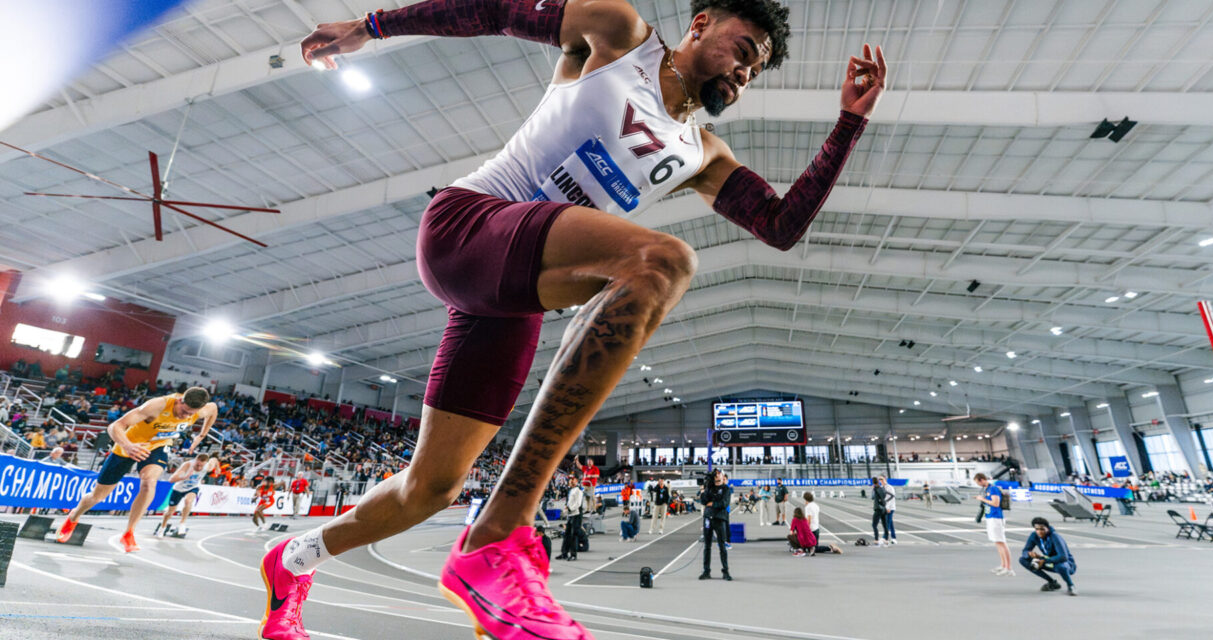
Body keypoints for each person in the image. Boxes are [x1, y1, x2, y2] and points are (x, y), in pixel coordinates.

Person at [267, 0, 886, 637]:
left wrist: (847, 123)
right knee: (662, 262)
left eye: (759, 68)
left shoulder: (700, 152)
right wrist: (369, 27)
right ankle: (498, 538)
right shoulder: (619, 36)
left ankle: (292, 561)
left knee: (431, 488)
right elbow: (491, 12)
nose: (748, 70)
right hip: (469, 225)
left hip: (514, 292)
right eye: (745, 46)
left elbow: (781, 227)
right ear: (700, 24)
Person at [55, 387, 217, 551]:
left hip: (158, 446)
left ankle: (129, 532)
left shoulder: (201, 410)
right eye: (184, 411)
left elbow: (214, 410)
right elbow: (115, 426)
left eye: (191, 414)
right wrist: (128, 446)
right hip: (129, 445)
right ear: (180, 400)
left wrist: (202, 434)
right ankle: (73, 517)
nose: (185, 416)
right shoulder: (157, 405)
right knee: (98, 496)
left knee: (149, 483)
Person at [155, 453, 213, 537]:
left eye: (201, 466)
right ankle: (162, 528)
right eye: (198, 465)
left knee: (188, 501)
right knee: (170, 512)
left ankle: (182, 523)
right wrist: (184, 477)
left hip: (193, 487)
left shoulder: (208, 466)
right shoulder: (187, 465)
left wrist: (217, 467)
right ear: (195, 461)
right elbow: (171, 480)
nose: (199, 468)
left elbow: (214, 460)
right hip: (178, 489)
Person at [1019, 517, 1077, 596]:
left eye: (1042, 529)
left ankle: (1071, 585)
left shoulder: (1055, 536)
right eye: (1037, 529)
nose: (1039, 532)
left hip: (1066, 564)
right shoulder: (1034, 536)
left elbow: (1063, 557)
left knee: (1061, 566)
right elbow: (1024, 551)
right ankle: (1052, 582)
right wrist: (1029, 554)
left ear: (1047, 528)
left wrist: (1044, 561)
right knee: (1023, 560)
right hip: (1048, 560)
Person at [974, 473, 1013, 576]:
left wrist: (982, 499)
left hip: (996, 518)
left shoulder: (993, 489)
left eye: (978, 482)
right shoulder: (987, 490)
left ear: (982, 480)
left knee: (1001, 542)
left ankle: (1008, 568)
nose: (978, 485)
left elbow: (995, 503)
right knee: (997, 542)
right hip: (990, 517)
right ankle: (1003, 565)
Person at [699, 469, 732, 580]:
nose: (717, 475)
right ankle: (706, 571)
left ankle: (725, 571)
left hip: (719, 519)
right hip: (708, 518)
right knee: (707, 546)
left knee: (722, 546)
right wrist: (703, 489)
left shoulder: (726, 489)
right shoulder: (709, 488)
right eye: (716, 474)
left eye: (719, 473)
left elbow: (724, 503)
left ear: (723, 476)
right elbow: (703, 501)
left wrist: (712, 503)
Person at [556, 475, 585, 561]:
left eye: (573, 480)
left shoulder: (579, 491)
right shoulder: (570, 491)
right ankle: (564, 553)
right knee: (567, 535)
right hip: (570, 515)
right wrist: (566, 508)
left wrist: (569, 508)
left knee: (573, 535)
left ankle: (573, 555)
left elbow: (578, 504)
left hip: (576, 515)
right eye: (570, 480)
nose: (571, 481)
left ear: (576, 481)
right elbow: (569, 502)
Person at [871, 477, 889, 546]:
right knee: (885, 525)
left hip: (878, 508)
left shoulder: (875, 489)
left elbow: (872, 497)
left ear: (873, 482)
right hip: (884, 508)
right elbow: (884, 496)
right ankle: (886, 539)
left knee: (874, 525)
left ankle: (876, 539)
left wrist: (873, 489)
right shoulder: (882, 488)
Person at [882, 476, 897, 545]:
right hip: (885, 507)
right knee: (890, 523)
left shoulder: (890, 487)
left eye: (882, 479)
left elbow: (891, 498)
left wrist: (888, 507)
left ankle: (885, 538)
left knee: (887, 523)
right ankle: (893, 538)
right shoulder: (882, 487)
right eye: (879, 479)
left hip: (890, 508)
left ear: (885, 479)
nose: (880, 481)